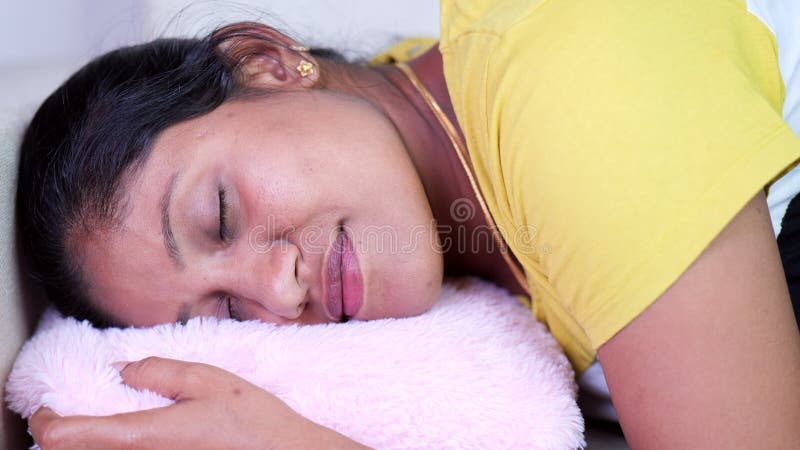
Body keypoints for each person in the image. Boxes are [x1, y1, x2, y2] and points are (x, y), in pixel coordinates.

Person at [15, 1, 800, 448]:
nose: (278, 292)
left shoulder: (573, 86)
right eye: (223, 313)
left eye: (220, 215)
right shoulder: (402, 156)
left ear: (268, 64)